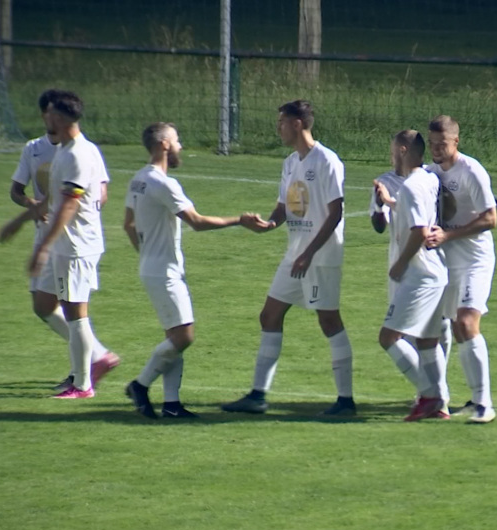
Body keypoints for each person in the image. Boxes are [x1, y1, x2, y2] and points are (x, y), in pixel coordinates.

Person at [221, 100, 355, 416]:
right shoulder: (290, 163)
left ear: (297, 124)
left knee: (329, 321)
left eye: (282, 122)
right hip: (295, 256)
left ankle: (346, 401)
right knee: (269, 315)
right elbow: (283, 207)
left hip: (320, 258)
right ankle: (258, 395)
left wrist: (309, 253)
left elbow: (336, 213)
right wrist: (267, 225)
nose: (278, 127)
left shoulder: (327, 160)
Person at [123, 123, 253, 419]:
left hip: (153, 267)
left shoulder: (138, 180)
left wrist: (147, 255)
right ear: (165, 144)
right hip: (164, 271)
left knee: (174, 336)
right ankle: (140, 385)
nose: (181, 146)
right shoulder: (162, 183)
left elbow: (128, 225)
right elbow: (196, 221)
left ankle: (171, 405)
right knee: (184, 336)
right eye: (177, 141)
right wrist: (239, 220)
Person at [0, 90, 119, 392]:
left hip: (75, 246)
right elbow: (52, 201)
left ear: (60, 118)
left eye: (50, 113)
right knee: (44, 303)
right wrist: (18, 222)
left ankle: (82, 384)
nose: (45, 117)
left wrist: (43, 247)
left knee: (75, 313)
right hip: (63, 244)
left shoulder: (79, 154)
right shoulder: (65, 151)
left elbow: (68, 205)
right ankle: (93, 361)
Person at [425, 115, 497, 424]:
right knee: (450, 326)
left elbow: (491, 218)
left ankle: (485, 404)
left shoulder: (471, 171)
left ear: (456, 142)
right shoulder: (429, 172)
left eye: (442, 144)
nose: (437, 150)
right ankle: (447, 396)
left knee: (467, 324)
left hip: (474, 259)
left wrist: (449, 234)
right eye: (432, 144)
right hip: (446, 262)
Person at [375, 130, 449, 421]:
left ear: (404, 150)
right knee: (428, 342)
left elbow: (419, 231)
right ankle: (439, 406)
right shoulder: (428, 178)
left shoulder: (412, 187)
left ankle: (431, 396)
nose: (392, 156)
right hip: (436, 273)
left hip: (420, 276)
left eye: (394, 150)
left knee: (389, 337)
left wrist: (400, 264)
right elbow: (416, 213)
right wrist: (388, 201)